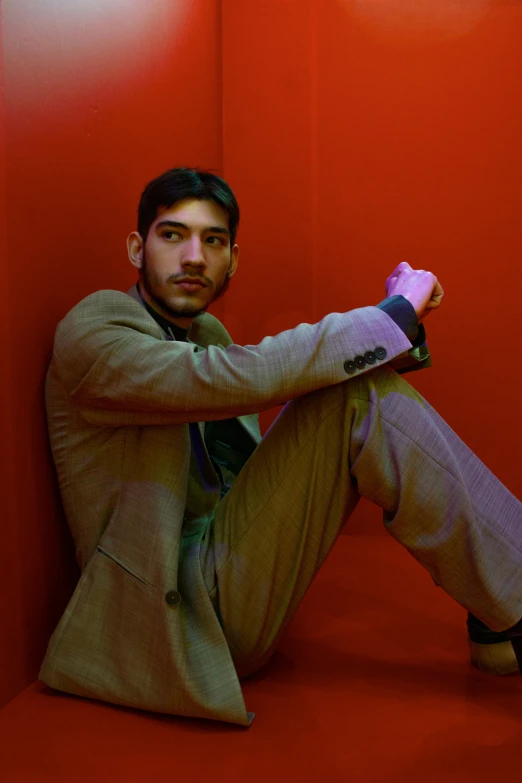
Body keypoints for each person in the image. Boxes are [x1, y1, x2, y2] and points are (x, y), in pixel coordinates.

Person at [39, 167, 522, 727]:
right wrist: (393, 317)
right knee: (352, 396)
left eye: (212, 240)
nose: (193, 256)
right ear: (136, 247)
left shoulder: (207, 337)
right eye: (172, 235)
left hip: (227, 565)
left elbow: (277, 386)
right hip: (169, 616)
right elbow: (220, 379)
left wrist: (396, 327)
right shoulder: (95, 330)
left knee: (351, 393)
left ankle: (503, 609)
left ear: (232, 260)